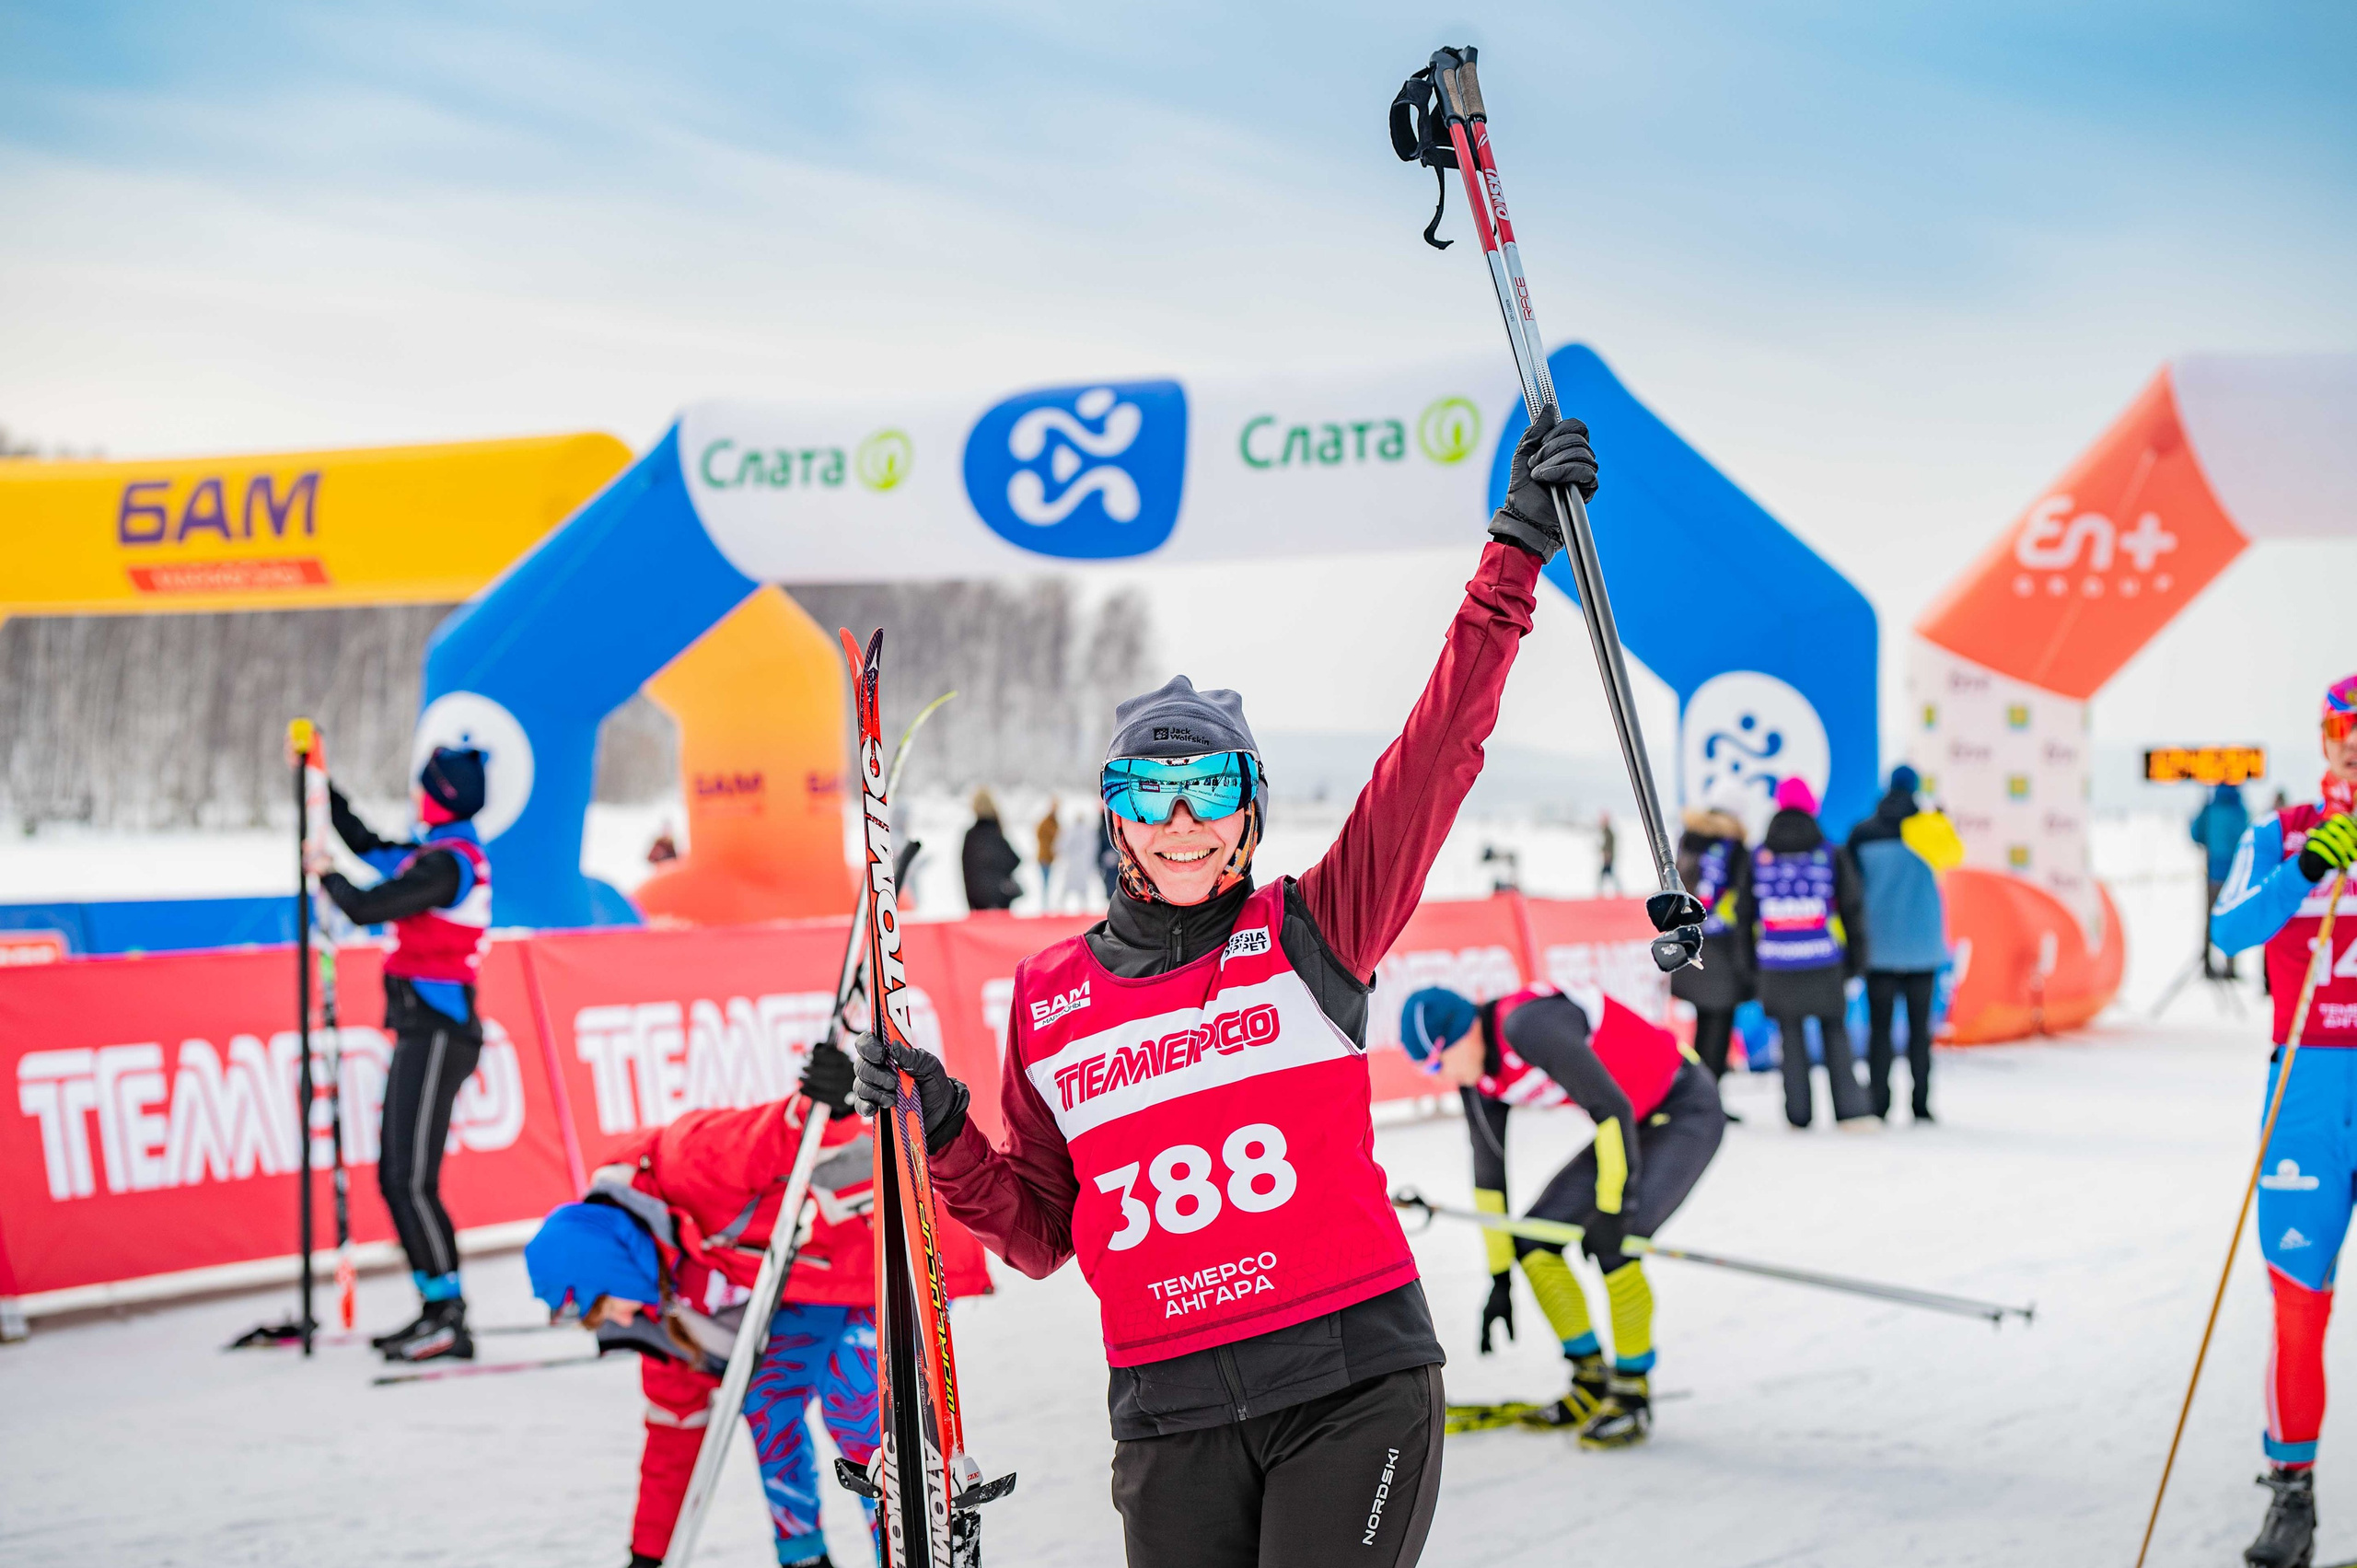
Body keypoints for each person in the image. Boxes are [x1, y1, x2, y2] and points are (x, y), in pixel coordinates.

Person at [850, 411, 1600, 1568]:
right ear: (1115, 818)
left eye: (1208, 788)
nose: (1182, 820)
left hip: (1350, 1379)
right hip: (1168, 1412)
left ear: (1250, 810)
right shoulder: (1050, 997)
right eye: (1152, 793)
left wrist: (1511, 556)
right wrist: (945, 1126)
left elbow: (1433, 757)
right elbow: (1043, 1232)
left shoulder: (1313, 930)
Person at [525, 1042, 986, 1568]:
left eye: (607, 1306)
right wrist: (647, 1557)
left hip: (891, 1247)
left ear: (607, 1264)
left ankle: (903, 1538)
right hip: (818, 1295)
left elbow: (760, 1137)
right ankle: (803, 1555)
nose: (622, 1321)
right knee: (767, 1399)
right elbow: (672, 1440)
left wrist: (820, 1102)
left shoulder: (680, 1164)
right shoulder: (666, 1307)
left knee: (852, 1398)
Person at [1399, 982, 1723, 1447]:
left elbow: (1610, 1108)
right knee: (1533, 1240)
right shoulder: (1479, 1080)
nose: (1436, 1076)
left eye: (1435, 1062)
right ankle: (1589, 1378)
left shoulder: (1526, 1025)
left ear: (1464, 1033)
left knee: (1617, 1244)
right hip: (1629, 1122)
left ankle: (1632, 1393)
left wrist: (1615, 1209)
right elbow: (1489, 1177)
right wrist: (1500, 1275)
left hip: (1683, 1108)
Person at [2207, 674, 2357, 1568]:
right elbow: (2228, 929)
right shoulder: (2280, 831)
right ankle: (2289, 1497)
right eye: (2345, 730)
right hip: (2305, 1091)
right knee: (2297, 1306)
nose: (2356, 747)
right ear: (2324, 738)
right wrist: (2303, 869)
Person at [308, 746, 494, 1362]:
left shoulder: (448, 864)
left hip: (442, 1033)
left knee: (408, 1179)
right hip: (424, 1031)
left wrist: (324, 873)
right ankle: (436, 1304)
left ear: (441, 793)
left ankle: (448, 1315)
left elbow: (366, 906)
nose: (419, 797)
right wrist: (315, 782)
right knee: (400, 1178)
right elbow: (366, 842)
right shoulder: (429, 853)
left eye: (425, 788)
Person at [1739, 774, 1872, 1131]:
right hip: (1824, 961)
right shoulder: (1830, 852)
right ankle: (1850, 1111)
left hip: (1775, 963)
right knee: (1834, 1032)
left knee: (1790, 1034)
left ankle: (1798, 1114)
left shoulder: (1758, 857)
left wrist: (1751, 967)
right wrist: (1857, 961)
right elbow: (1852, 909)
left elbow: (1743, 916)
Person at [1847, 764, 1961, 1124]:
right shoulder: (1928, 830)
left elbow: (1850, 889)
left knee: (1879, 1031)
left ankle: (1878, 1103)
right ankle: (1921, 1104)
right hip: (1923, 950)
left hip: (1879, 949)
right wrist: (1940, 819)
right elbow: (1955, 857)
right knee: (1919, 1033)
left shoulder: (1862, 833)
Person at [1672, 791, 1751, 1113]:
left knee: (1705, 1024)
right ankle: (1707, 1101)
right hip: (1725, 949)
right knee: (1718, 1026)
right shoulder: (1736, 848)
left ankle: (1697, 1097)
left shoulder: (1689, 839)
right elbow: (1744, 898)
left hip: (1691, 940)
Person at [2193, 781, 2253, 979]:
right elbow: (2248, 838)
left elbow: (2195, 834)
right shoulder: (2240, 810)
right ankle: (2230, 966)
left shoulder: (2211, 810)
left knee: (2210, 919)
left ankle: (2208, 964)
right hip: (2235, 875)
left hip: (2213, 875)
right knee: (2232, 919)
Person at [961, 788, 1023, 912]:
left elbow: (967, 871)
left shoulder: (972, 836)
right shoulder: (994, 832)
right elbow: (1013, 859)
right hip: (998, 899)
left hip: (979, 900)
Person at [1037, 796, 1063, 911]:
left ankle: (1047, 904)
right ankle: (1044, 905)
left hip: (1050, 857)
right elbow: (1040, 833)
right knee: (1045, 882)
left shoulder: (1054, 822)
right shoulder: (1047, 822)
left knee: (1049, 882)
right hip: (1044, 857)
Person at [1596, 810, 1620, 896]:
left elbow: (1608, 846)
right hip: (1608, 857)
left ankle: (1617, 891)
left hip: (1608, 858)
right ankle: (1618, 891)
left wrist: (1607, 855)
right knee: (1608, 875)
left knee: (1606, 875)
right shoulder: (1605, 831)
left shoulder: (1608, 832)